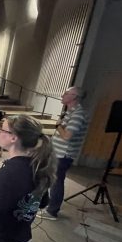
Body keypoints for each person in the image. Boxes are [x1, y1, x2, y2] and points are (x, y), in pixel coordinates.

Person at [44, 87, 88, 220]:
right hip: (57, 153)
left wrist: (58, 126)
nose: (62, 95)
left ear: (74, 97)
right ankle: (49, 205)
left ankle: (52, 212)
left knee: (57, 182)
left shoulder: (77, 115)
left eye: (66, 93)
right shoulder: (69, 112)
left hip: (63, 155)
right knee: (53, 180)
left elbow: (67, 136)